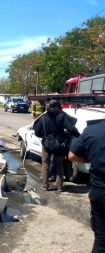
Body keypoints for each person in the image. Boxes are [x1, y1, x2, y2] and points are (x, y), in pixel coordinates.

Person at [68, 120, 105, 252]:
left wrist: (92, 159)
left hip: (101, 191)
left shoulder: (93, 130)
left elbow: (72, 155)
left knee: (102, 241)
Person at [34, 100, 80, 192]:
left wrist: (45, 137)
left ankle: (45, 185)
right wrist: (80, 137)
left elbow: (37, 132)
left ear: (49, 106)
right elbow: (71, 128)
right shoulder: (62, 116)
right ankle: (59, 186)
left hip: (46, 144)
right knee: (59, 165)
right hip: (59, 144)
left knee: (45, 164)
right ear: (58, 106)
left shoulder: (43, 117)